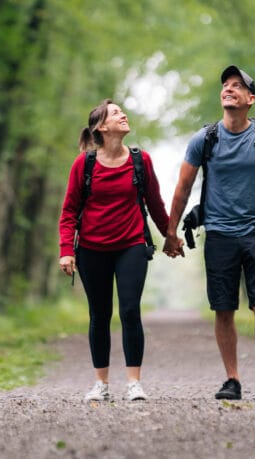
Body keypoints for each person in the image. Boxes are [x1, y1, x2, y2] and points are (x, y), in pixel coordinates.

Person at [163, 65, 255, 400]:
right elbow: (182, 187)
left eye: (237, 86)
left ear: (250, 99)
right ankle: (232, 379)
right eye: (225, 85)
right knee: (224, 308)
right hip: (219, 233)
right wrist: (171, 231)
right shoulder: (205, 139)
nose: (229, 89)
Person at [58, 99, 170, 402]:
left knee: (130, 310)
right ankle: (101, 384)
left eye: (122, 111)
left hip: (131, 244)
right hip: (92, 249)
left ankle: (134, 383)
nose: (123, 115)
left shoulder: (140, 160)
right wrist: (66, 249)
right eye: (115, 113)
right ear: (102, 127)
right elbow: (69, 211)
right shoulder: (84, 164)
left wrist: (170, 236)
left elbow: (155, 203)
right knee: (100, 314)